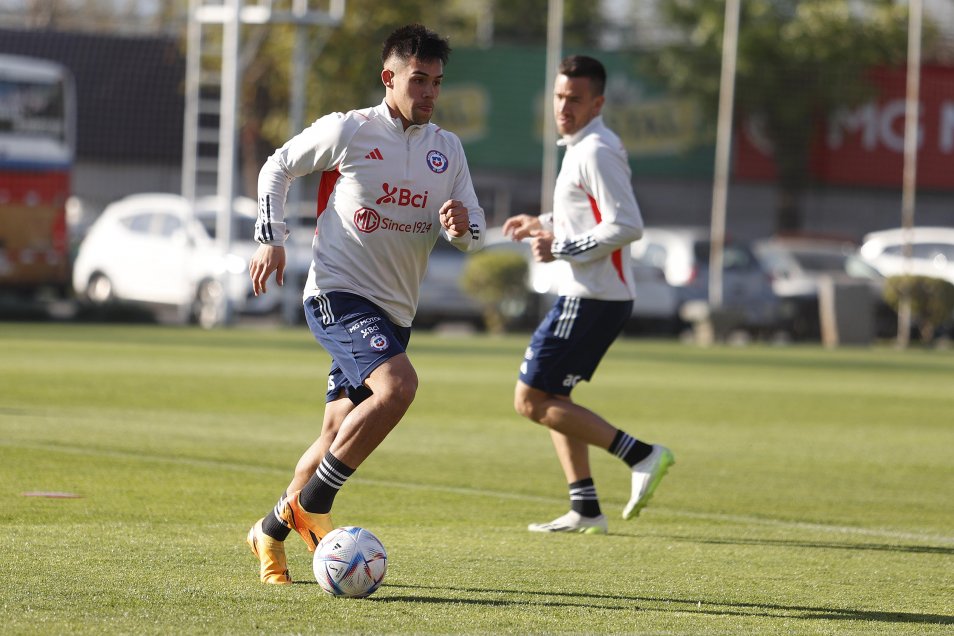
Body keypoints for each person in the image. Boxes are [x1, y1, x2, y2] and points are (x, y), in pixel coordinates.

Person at [245, 23, 485, 584]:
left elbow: (474, 234)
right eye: (418, 80)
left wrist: (461, 225)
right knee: (398, 387)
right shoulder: (350, 130)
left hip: (395, 314)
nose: (428, 93)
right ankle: (316, 502)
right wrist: (269, 236)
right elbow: (276, 166)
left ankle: (272, 529)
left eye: (436, 83)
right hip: (337, 293)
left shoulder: (446, 150)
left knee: (335, 432)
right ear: (389, 77)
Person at [502, 55, 673, 534]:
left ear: (597, 102)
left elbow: (627, 225)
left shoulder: (596, 149)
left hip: (592, 295)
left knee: (530, 400)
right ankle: (585, 507)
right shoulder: (581, 146)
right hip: (591, 292)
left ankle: (641, 454)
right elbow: (591, 218)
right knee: (556, 395)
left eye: (574, 99)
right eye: (559, 97)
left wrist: (561, 247)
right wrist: (545, 225)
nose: (564, 106)